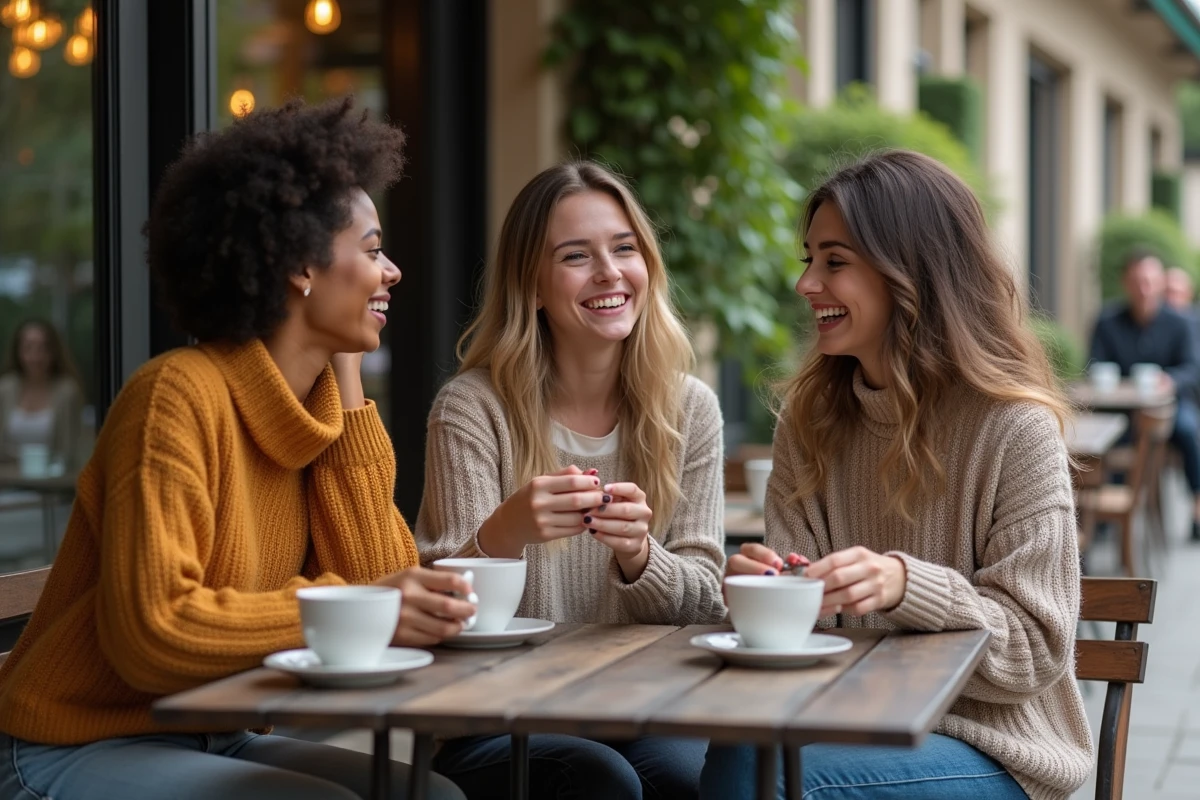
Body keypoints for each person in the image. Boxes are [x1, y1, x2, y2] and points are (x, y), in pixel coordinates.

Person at [0, 98, 472, 800]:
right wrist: (367, 600)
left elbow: (384, 589)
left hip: (211, 729)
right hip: (72, 741)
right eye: (372, 250)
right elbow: (153, 633)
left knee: (434, 796)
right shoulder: (176, 398)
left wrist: (343, 374)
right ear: (299, 267)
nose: (393, 270)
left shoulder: (312, 408)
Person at [701, 151, 1092, 800]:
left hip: (994, 749)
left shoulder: (1013, 428)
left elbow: (1033, 647)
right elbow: (812, 628)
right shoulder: (809, 421)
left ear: (908, 272)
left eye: (835, 262)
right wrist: (769, 592)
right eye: (809, 259)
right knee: (738, 753)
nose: (806, 284)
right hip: (847, 725)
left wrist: (906, 584)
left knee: (759, 775)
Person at [415, 161, 727, 799]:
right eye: (576, 256)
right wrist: (503, 532)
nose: (610, 272)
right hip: (497, 714)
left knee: (690, 778)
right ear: (531, 285)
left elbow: (707, 609)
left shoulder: (689, 409)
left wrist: (642, 558)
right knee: (597, 779)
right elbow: (437, 613)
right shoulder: (473, 408)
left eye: (624, 248)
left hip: (645, 704)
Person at [1090, 252, 1200, 541]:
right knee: (1100, 439)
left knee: (1190, 432)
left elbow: (1193, 369)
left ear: (1161, 283)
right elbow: (1093, 365)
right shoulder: (1107, 321)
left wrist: (1170, 379)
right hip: (1119, 411)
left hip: (1168, 406)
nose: (1144, 288)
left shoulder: (1180, 322)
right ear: (1126, 283)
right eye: (1137, 281)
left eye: (1149, 281)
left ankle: (1197, 505)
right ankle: (1099, 514)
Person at [0, 317, 85, 470]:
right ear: (18, 351)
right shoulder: (5, 389)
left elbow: (71, 451)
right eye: (28, 348)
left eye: (43, 348)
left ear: (53, 352)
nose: (35, 356)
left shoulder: (67, 392)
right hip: (8, 484)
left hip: (51, 488)